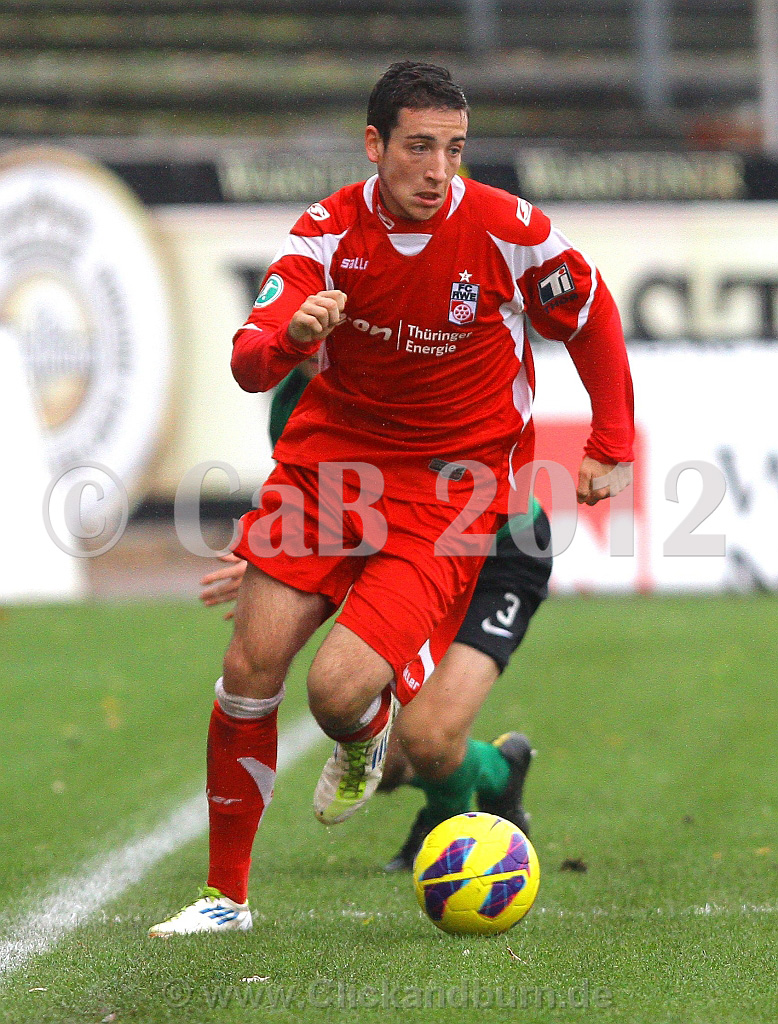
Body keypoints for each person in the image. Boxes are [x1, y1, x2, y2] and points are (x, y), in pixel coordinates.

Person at [149, 60, 633, 936]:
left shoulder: (510, 231)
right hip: (331, 475)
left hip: (451, 499)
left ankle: (372, 734)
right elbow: (250, 356)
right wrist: (291, 335)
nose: (438, 169)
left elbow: (591, 308)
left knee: (345, 698)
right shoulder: (326, 232)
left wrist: (612, 442)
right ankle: (225, 899)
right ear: (374, 145)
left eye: (454, 149)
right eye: (419, 148)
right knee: (249, 667)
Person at [199, 354, 553, 872]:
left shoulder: (399, 367)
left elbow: (412, 495)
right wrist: (277, 551)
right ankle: (498, 769)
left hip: (497, 552)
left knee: (427, 738)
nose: (314, 337)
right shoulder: (293, 405)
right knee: (386, 767)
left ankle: (452, 814)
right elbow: (329, 509)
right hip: (411, 552)